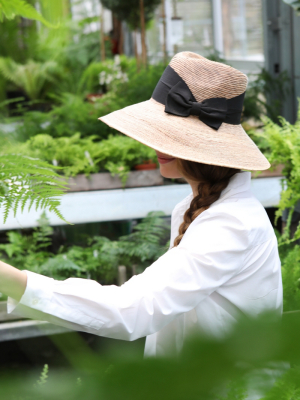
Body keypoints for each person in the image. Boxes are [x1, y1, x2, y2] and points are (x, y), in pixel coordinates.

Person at [0, 52, 282, 357]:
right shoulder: (200, 206)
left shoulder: (231, 224)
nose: (156, 145)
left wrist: (10, 279)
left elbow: (133, 309)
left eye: (173, 135)